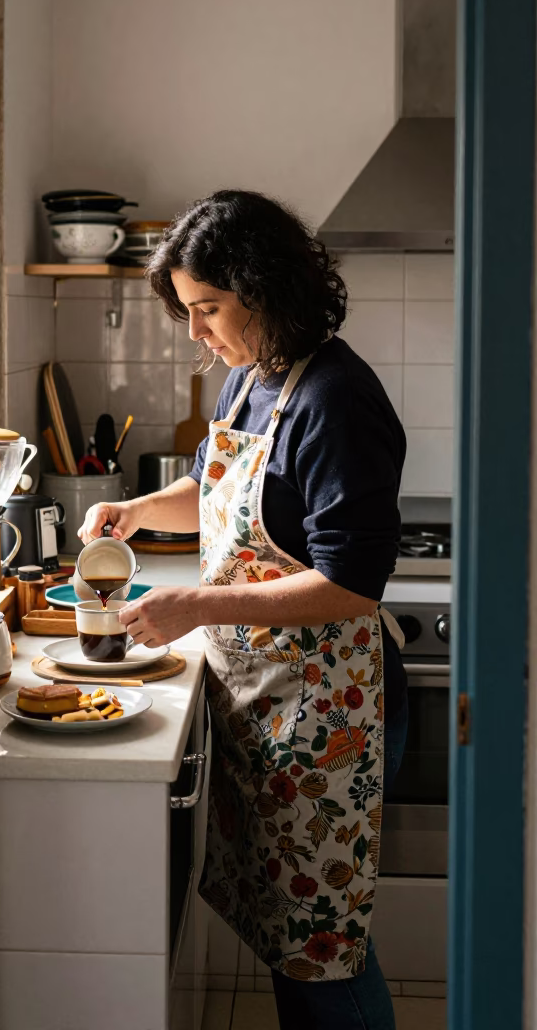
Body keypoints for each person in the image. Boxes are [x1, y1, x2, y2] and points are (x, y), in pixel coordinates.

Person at [79, 189, 408, 1030]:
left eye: (208, 309)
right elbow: (220, 488)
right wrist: (138, 511)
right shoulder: (251, 380)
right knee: (293, 938)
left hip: (332, 709)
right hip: (271, 702)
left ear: (264, 290)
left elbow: (350, 585)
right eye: (188, 311)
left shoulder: (338, 399)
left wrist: (195, 603)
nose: (195, 332)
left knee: (324, 953)